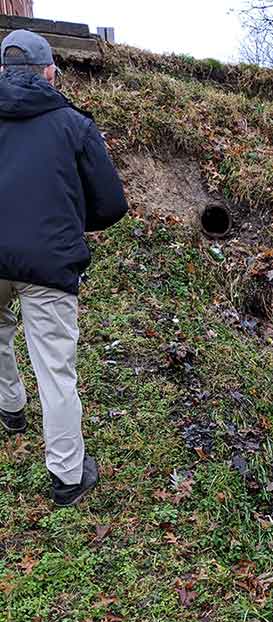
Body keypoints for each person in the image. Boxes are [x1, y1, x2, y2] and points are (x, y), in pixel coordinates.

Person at [0, 29, 128, 506]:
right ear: (50, 72)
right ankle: (68, 477)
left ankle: (11, 408)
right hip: (48, 262)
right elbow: (112, 204)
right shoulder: (73, 124)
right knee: (55, 370)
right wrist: (72, 221)